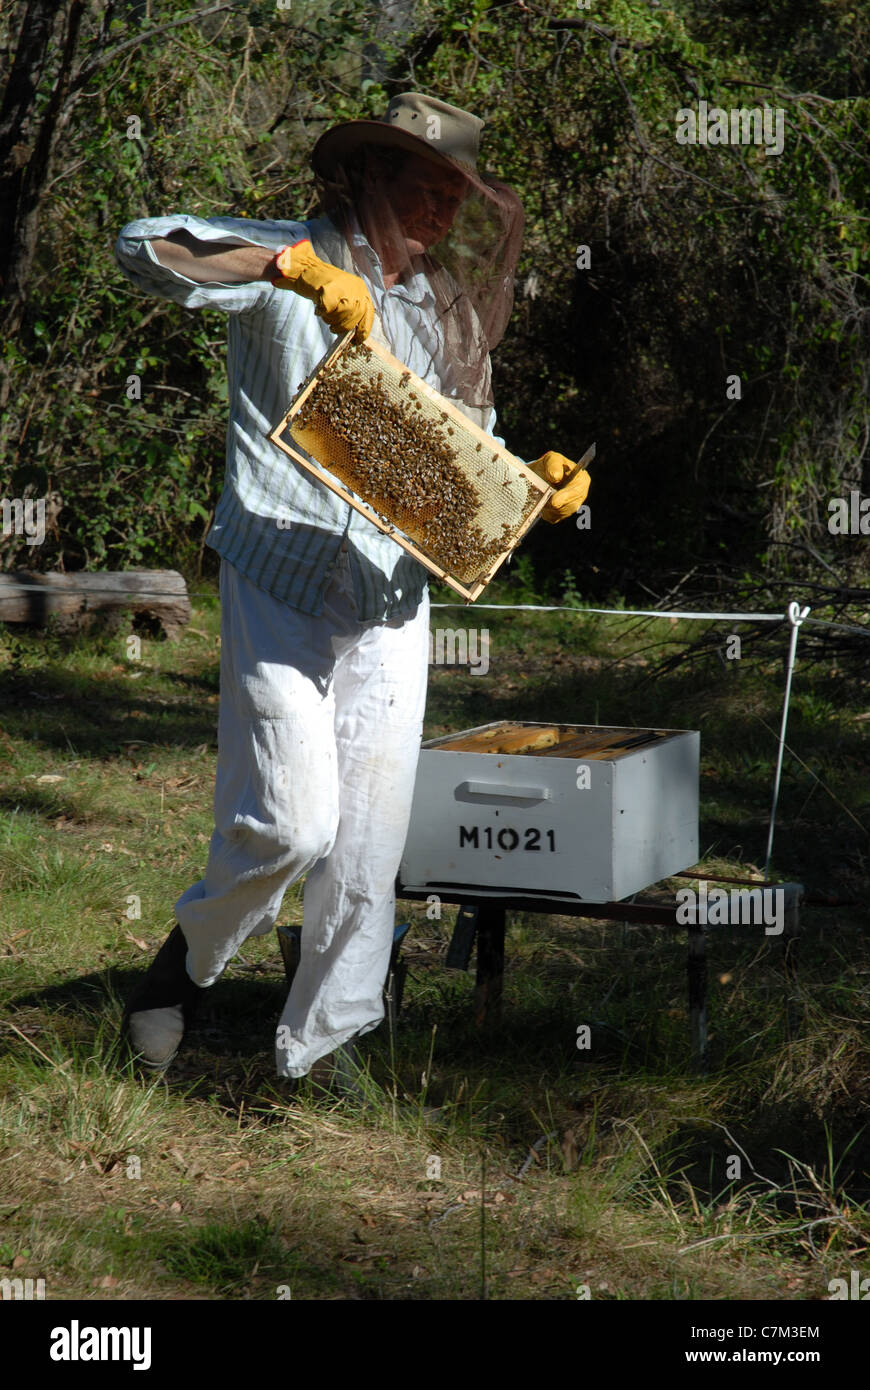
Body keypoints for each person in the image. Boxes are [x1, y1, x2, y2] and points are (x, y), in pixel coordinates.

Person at [114, 92, 591, 1089]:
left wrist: (531, 488)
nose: (437, 214)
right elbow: (144, 246)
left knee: (367, 846)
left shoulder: (442, 321)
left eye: (453, 198)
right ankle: (184, 966)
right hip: (281, 579)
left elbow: (459, 467)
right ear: (368, 177)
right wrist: (292, 271)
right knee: (291, 823)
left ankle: (324, 1044)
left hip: (389, 601)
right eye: (421, 188)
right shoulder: (291, 256)